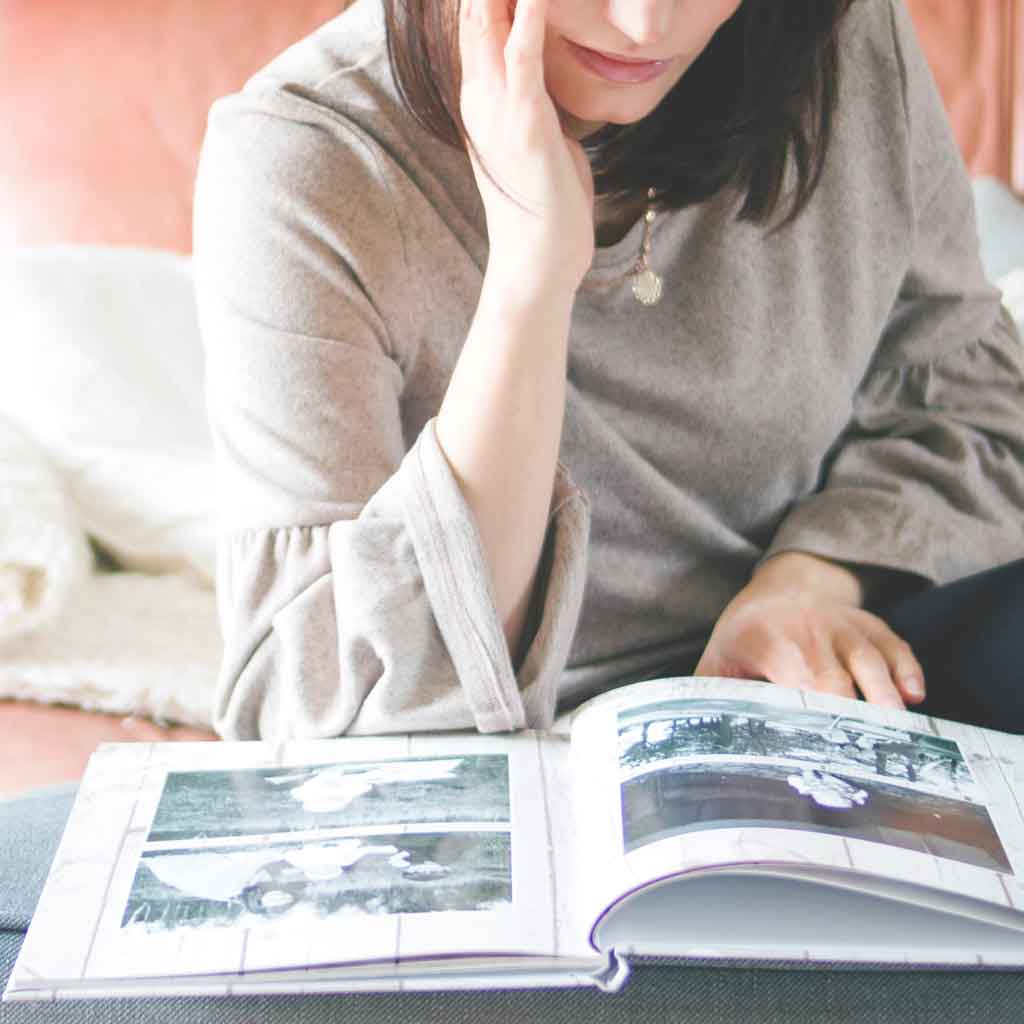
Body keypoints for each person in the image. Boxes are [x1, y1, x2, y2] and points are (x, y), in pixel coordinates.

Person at [191, 0, 1024, 744]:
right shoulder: (305, 159)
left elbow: (972, 403)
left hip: (827, 665)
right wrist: (530, 277)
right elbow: (316, 710)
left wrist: (806, 583)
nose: (645, 25)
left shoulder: (833, 36)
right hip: (531, 745)